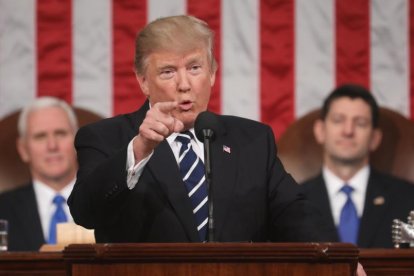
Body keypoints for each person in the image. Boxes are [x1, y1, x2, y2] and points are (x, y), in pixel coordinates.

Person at [68, 15, 320, 244]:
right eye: (168, 72)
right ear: (143, 81)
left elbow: (294, 215)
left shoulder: (252, 140)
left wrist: (337, 262)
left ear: (211, 73)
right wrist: (140, 149)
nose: (184, 84)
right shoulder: (106, 138)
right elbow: (85, 212)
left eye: (194, 68)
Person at [300, 84, 414, 248]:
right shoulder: (293, 203)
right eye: (338, 120)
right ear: (320, 131)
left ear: (375, 138)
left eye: (360, 123)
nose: (348, 131)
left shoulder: (408, 199)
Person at [0, 97, 78, 251]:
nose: (52, 146)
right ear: (23, 149)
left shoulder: (110, 205)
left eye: (60, 133)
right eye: (40, 136)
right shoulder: (2, 209)